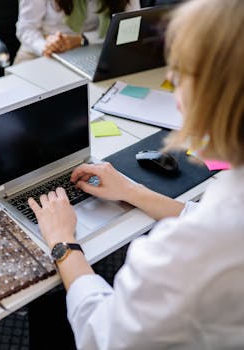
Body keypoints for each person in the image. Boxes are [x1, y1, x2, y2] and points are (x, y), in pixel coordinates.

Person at [28, 0, 244, 348]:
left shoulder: (189, 251)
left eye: (182, 70)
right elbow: (212, 218)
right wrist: (134, 191)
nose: (170, 78)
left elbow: (102, 334)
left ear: (217, 94)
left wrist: (62, 243)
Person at [14, 0, 140, 64]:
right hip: (41, 50)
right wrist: (46, 46)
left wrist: (83, 40)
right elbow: (26, 28)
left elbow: (129, 27)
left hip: (97, 49)